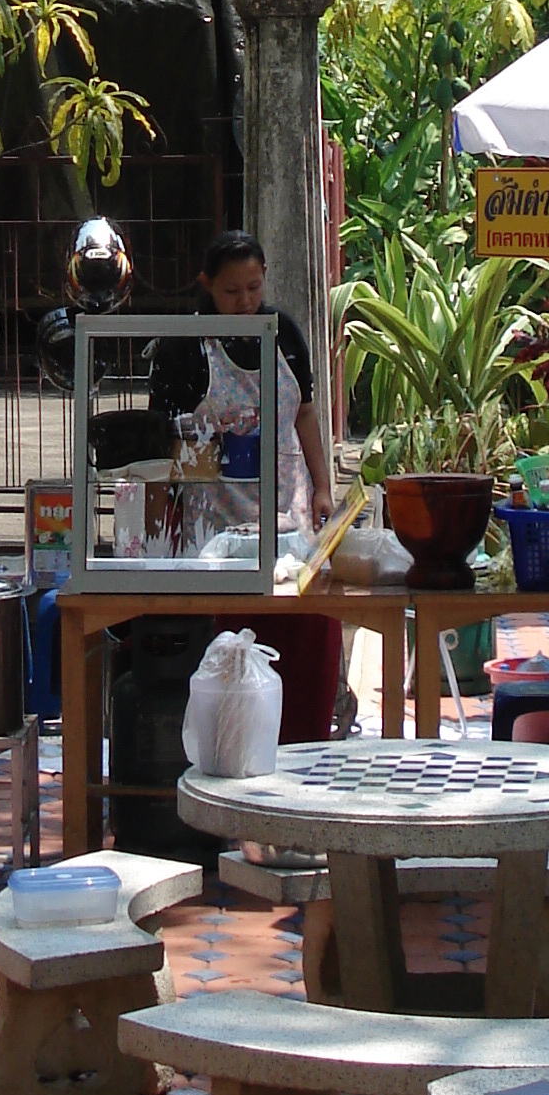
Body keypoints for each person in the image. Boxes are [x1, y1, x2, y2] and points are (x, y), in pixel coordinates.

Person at [148, 229, 341, 739]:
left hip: (286, 508)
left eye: (253, 288)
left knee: (299, 623)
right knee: (230, 635)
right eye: (233, 291)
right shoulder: (184, 346)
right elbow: (162, 446)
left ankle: (305, 735)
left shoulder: (286, 333)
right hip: (216, 516)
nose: (246, 301)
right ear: (207, 285)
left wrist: (323, 487)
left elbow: (304, 414)